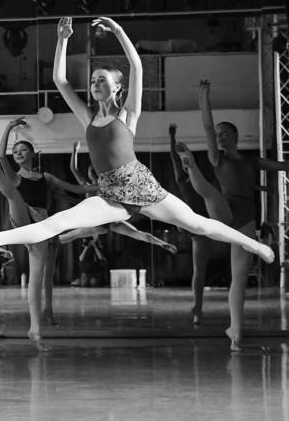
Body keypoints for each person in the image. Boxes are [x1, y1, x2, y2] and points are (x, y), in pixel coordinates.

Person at [0, 17, 274, 352]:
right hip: (109, 193)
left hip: (142, 187)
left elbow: (136, 65)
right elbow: (60, 80)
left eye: (101, 80)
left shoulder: (128, 114)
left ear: (117, 89)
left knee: (198, 223)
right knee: (57, 224)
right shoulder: (88, 117)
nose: (94, 83)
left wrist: (119, 32)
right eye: (93, 79)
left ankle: (252, 246)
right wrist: (62, 40)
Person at [0, 119, 94, 348]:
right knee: (13, 195)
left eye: (23, 150)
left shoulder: (46, 178)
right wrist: (9, 128)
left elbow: (76, 189)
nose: (18, 153)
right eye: (16, 151)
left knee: (36, 279)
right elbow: (2, 156)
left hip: (41, 226)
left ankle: (35, 328)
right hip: (22, 218)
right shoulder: (15, 176)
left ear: (33, 154)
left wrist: (101, 188)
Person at [198, 79, 289, 350]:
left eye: (224, 133)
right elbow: (206, 128)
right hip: (225, 212)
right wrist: (204, 98)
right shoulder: (218, 159)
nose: (219, 136)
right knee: (210, 193)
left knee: (239, 276)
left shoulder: (251, 161)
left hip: (245, 218)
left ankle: (235, 331)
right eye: (218, 134)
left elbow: (282, 165)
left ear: (236, 137)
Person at [59, 140, 178, 254]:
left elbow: (75, 169)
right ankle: (161, 243)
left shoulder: (100, 185)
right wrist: (75, 150)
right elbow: (74, 169)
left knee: (137, 234)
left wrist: (75, 150)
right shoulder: (96, 186)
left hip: (106, 222)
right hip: (104, 222)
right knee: (74, 235)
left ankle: (162, 243)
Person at [169, 124, 231, 325]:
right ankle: (197, 307)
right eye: (184, 163)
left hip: (216, 222)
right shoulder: (182, 179)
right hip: (200, 229)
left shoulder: (208, 182)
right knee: (199, 270)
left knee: (231, 266)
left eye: (188, 162)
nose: (185, 165)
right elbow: (174, 159)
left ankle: (231, 304)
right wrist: (172, 138)